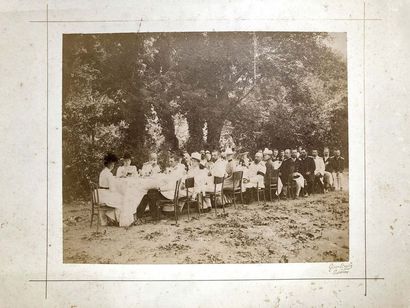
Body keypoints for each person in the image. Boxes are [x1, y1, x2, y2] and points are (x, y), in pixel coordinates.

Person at [98, 153, 121, 226]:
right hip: (105, 196)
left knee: (118, 196)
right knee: (121, 199)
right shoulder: (109, 174)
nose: (113, 166)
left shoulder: (103, 172)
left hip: (100, 194)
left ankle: (109, 218)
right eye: (113, 164)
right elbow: (112, 189)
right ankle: (114, 219)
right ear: (109, 164)